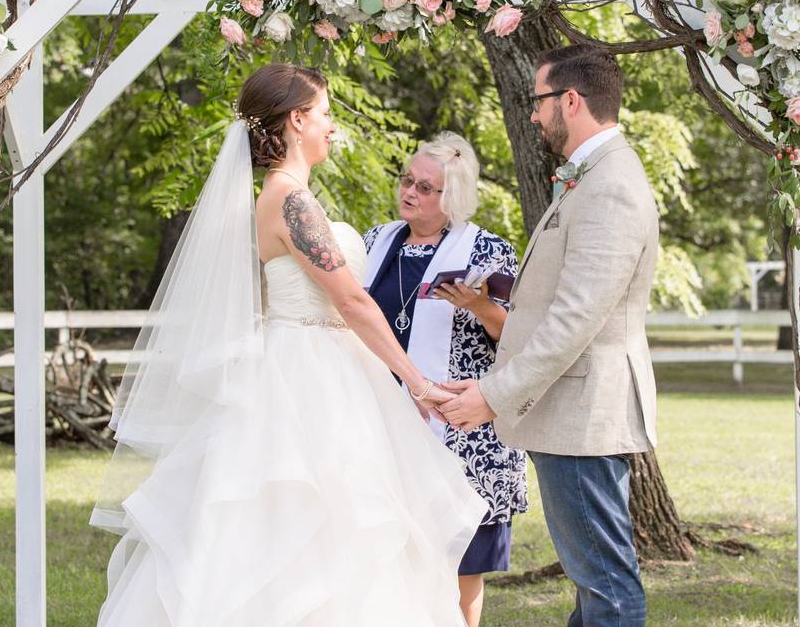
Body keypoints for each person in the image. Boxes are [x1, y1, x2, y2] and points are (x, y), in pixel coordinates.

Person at [90, 63, 487, 626]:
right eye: (324, 114)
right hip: (308, 378)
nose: (332, 127)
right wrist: (417, 384)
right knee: (313, 524)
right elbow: (350, 301)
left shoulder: (289, 197)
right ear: (297, 120)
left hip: (323, 366)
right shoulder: (290, 200)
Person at [439, 45, 658, 627]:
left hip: (583, 415)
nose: (533, 115)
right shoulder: (591, 176)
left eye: (538, 102)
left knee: (607, 584)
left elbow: (575, 318)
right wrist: (491, 378)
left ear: (570, 99)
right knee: (595, 586)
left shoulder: (610, 184)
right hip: (570, 410)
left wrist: (493, 394)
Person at [362, 132, 527, 627]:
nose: (410, 191)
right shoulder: (376, 241)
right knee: (389, 556)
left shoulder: (487, 249)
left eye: (426, 187)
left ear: (451, 196)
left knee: (460, 565)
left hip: (461, 427)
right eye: (407, 180)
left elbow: (519, 339)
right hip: (384, 421)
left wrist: (478, 306)